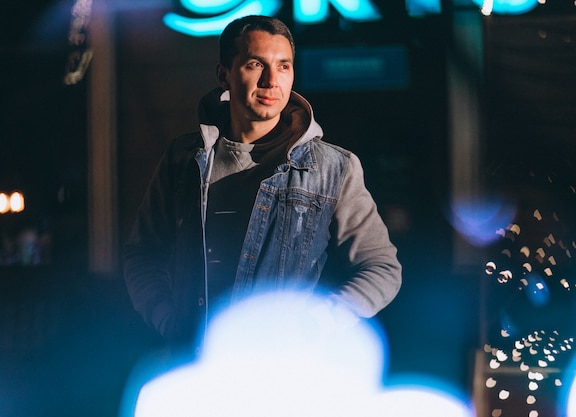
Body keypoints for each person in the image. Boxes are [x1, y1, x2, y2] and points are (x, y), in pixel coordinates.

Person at [123, 15, 402, 356]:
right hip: (196, 365)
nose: (272, 81)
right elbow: (143, 255)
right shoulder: (184, 159)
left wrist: (317, 322)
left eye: (283, 66)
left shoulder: (333, 167)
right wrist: (169, 321)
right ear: (224, 74)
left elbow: (382, 269)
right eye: (256, 64)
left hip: (285, 370)